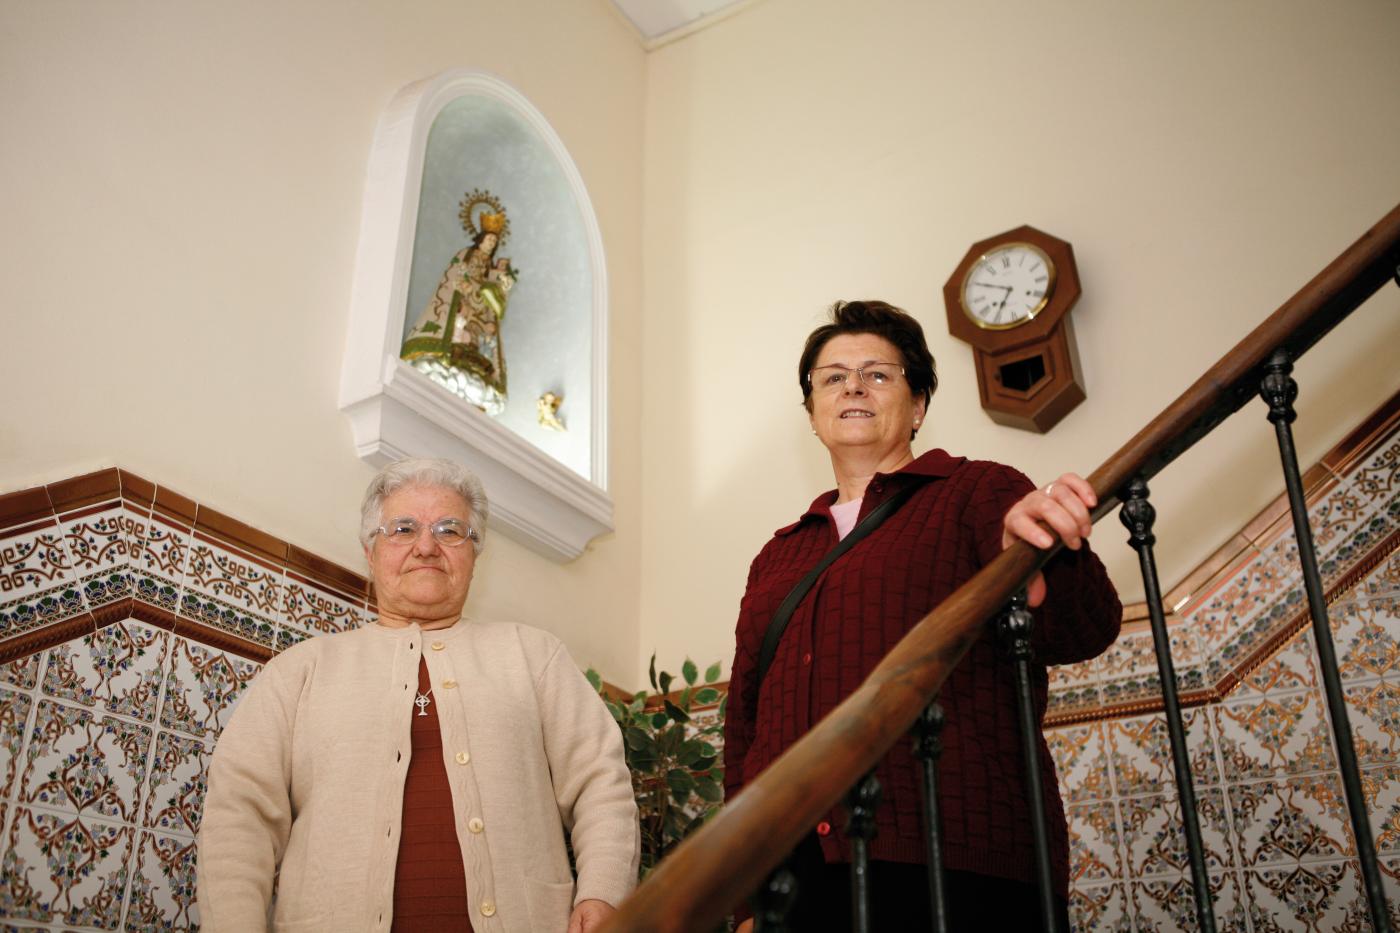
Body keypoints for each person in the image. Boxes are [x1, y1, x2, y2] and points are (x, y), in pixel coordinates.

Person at [724, 300, 1121, 931]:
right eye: (832, 377)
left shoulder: (979, 491)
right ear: (812, 414)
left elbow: (1086, 628)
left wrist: (1049, 563)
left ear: (918, 406)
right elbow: (743, 729)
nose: (853, 385)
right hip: (794, 880)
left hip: (955, 859)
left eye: (878, 373)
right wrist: (744, 898)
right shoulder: (778, 553)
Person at [197, 459, 639, 932]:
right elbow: (237, 817)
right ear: (371, 551)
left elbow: (601, 782)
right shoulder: (300, 670)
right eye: (403, 528)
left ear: (474, 555)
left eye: (450, 531)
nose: (426, 546)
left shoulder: (533, 655)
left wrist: (604, 893)